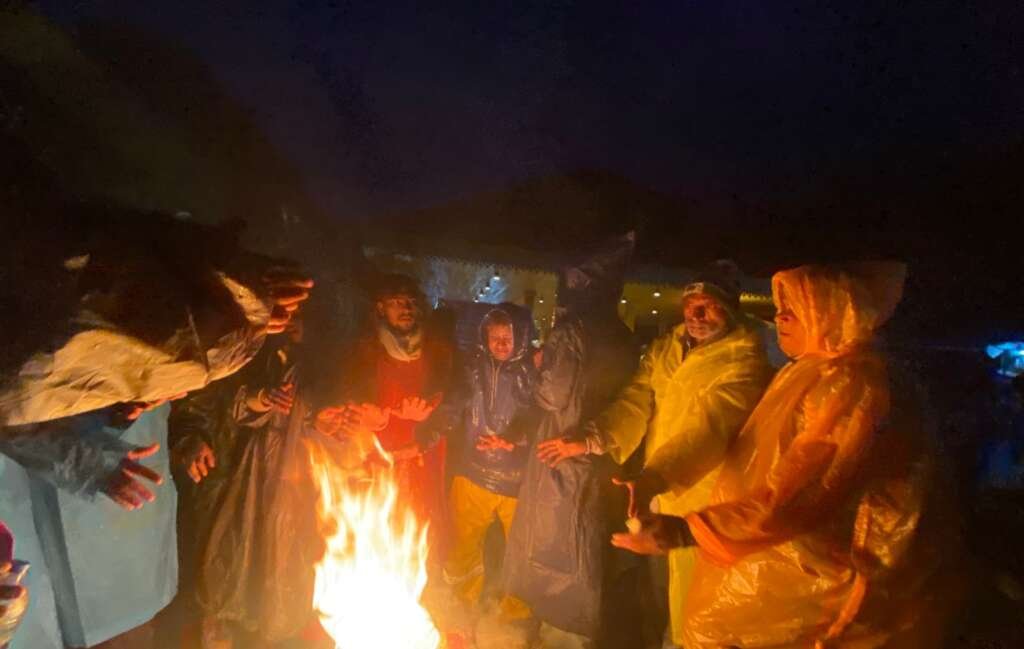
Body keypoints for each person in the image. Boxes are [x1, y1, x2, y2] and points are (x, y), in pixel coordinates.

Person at [613, 263, 947, 648]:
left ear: (838, 311)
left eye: (798, 306)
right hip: (741, 526)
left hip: (812, 570)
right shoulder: (810, 369)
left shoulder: (851, 384)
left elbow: (796, 490)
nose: (780, 315)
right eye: (781, 304)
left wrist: (684, 525)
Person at [538, 261, 773, 648]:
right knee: (655, 590)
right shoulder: (670, 347)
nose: (696, 314)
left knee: (697, 605)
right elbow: (638, 397)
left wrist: (656, 476)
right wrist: (593, 439)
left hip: (704, 499)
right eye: (691, 303)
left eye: (708, 305)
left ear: (730, 309)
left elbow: (710, 431)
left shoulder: (744, 362)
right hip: (656, 493)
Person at [503, 232, 639, 649]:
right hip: (597, 452)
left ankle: (558, 630)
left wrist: (540, 365)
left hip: (560, 448)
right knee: (589, 540)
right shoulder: (620, 332)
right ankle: (581, 629)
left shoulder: (571, 330)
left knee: (556, 546)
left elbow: (552, 394)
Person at [172, 317, 323, 649]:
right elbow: (198, 403)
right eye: (287, 313)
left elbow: (315, 409)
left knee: (271, 572)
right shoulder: (228, 351)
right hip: (228, 475)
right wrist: (253, 400)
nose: (294, 322)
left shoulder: (304, 362)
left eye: (300, 313)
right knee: (218, 574)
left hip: (281, 481)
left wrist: (322, 416)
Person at [315, 274, 453, 562]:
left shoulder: (439, 352)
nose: (406, 308)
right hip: (375, 456)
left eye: (412, 302)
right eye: (397, 302)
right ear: (380, 308)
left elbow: (453, 403)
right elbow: (346, 398)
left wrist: (425, 434)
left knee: (418, 524)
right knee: (374, 521)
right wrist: (366, 414)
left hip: (421, 456)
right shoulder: (363, 351)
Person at [430, 308, 536, 634]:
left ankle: (515, 619)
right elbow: (455, 402)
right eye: (495, 337)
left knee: (522, 552)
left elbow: (542, 415)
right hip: (473, 473)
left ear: (520, 338)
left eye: (508, 337)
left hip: (519, 482)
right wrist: (431, 429)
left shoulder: (533, 372)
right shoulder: (472, 368)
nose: (501, 343)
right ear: (485, 338)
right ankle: (461, 608)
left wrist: (513, 438)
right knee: (462, 543)